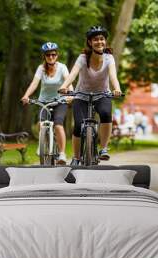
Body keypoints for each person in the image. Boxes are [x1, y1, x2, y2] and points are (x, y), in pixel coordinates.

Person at [59, 26, 122, 165]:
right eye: (95, 40)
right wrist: (64, 86)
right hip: (81, 95)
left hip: (102, 94)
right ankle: (76, 157)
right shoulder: (82, 58)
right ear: (89, 42)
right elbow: (73, 74)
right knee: (78, 125)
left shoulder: (109, 58)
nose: (99, 42)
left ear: (105, 41)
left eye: (102, 39)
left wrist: (117, 88)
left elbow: (113, 76)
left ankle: (104, 148)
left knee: (106, 113)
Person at [21, 42, 73, 165]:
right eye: (48, 55)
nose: (51, 57)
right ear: (44, 56)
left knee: (58, 125)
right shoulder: (41, 68)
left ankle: (62, 153)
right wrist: (26, 95)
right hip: (44, 101)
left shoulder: (62, 67)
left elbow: (69, 81)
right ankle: (43, 144)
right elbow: (34, 83)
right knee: (40, 124)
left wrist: (71, 94)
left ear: (57, 55)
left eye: (53, 54)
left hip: (60, 101)